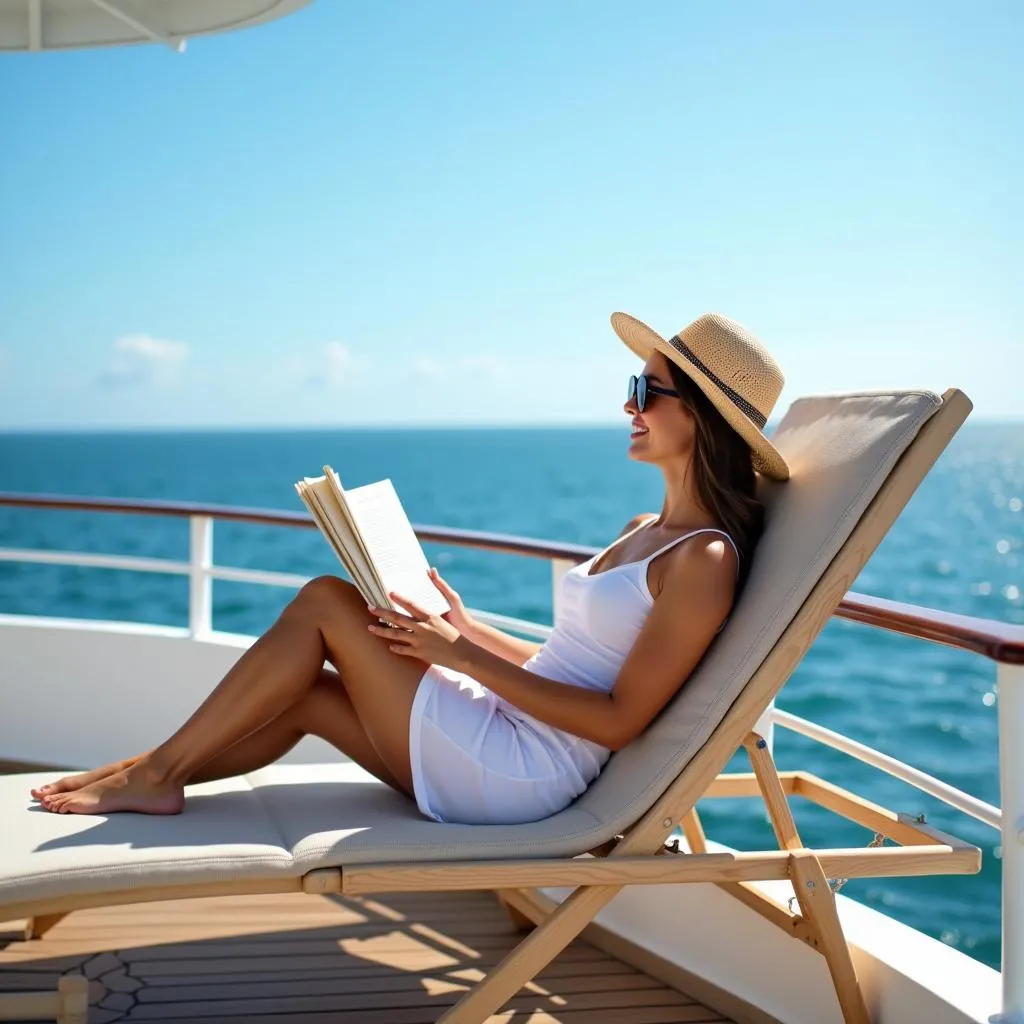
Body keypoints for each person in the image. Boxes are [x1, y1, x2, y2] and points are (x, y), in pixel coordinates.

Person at [32, 310, 789, 824]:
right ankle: (149, 770)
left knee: (329, 601)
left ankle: (153, 776)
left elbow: (621, 721)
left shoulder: (703, 559)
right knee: (307, 697)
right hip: (509, 724)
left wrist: (455, 656)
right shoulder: (643, 531)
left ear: (700, 415)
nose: (629, 407)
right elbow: (567, 667)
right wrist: (464, 629)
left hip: (523, 772)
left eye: (644, 391)